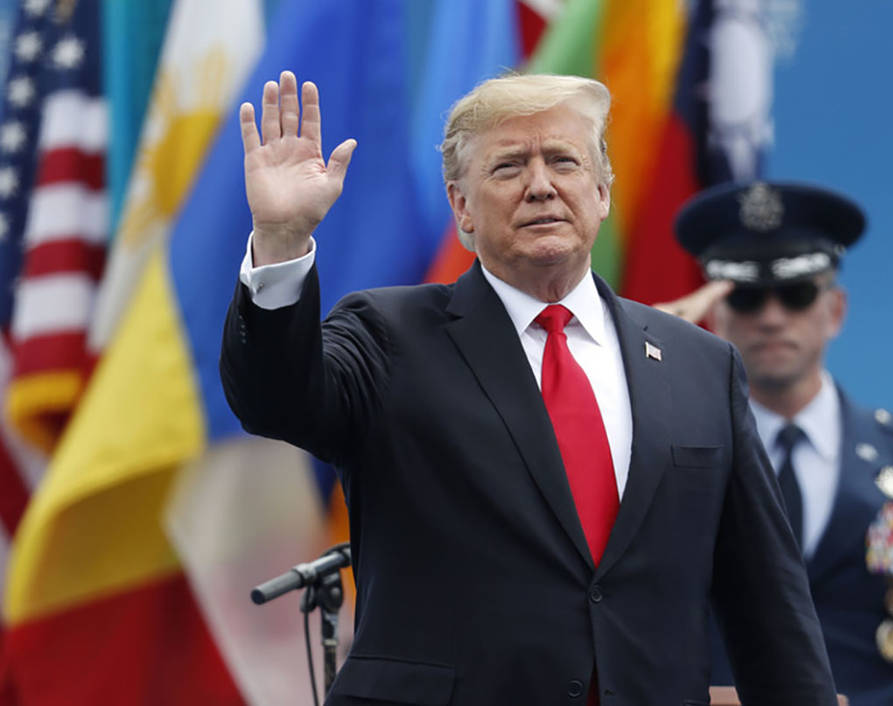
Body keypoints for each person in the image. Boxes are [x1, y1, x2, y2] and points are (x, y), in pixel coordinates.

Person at [221, 72, 840, 705]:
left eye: (563, 161)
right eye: (509, 166)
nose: (540, 185)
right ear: (461, 206)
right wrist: (281, 241)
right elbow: (275, 399)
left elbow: (770, 607)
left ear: (601, 191)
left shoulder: (701, 365)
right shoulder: (389, 336)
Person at [664, 180, 893, 706]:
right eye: (747, 297)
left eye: (796, 294)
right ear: (716, 315)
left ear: (835, 310)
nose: (772, 318)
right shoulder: (669, 455)